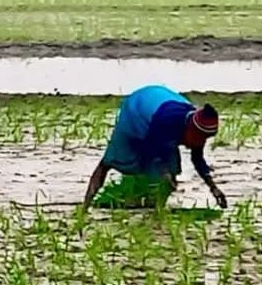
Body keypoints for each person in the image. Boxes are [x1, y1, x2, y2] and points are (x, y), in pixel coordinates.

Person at [82, 84, 226, 211]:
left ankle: (156, 211)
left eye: (205, 138)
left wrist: (214, 188)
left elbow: (197, 159)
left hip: (159, 102)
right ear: (190, 128)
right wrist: (164, 172)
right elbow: (151, 148)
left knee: (170, 178)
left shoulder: (198, 131)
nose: (201, 141)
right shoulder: (165, 121)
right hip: (137, 111)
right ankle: (84, 207)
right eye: (200, 137)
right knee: (108, 163)